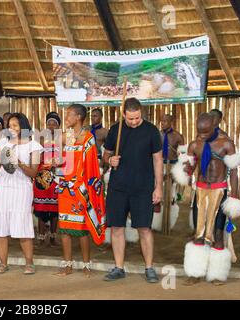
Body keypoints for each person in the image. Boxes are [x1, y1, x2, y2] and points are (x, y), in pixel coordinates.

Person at [172, 113, 240, 286]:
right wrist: (186, 170)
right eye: (199, 132)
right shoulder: (195, 144)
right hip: (201, 192)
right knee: (199, 231)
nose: (202, 136)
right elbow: (190, 168)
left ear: (214, 126)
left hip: (219, 191)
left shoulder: (226, 143)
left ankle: (217, 274)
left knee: (218, 232)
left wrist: (234, 196)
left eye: (205, 132)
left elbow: (233, 171)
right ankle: (195, 272)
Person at [102, 97, 163, 283]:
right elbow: (106, 154)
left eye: (137, 118)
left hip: (143, 188)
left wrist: (158, 187)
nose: (134, 122)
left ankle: (149, 268)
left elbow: (158, 160)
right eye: (130, 119)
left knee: (144, 228)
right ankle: (119, 267)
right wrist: (109, 160)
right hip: (118, 188)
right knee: (117, 228)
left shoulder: (151, 131)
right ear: (123, 114)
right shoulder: (115, 129)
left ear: (140, 113)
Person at [0, 113, 43, 274]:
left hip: (21, 187)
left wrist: (19, 163)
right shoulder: (3, 142)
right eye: (9, 126)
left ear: (23, 127)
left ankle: (29, 263)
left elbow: (33, 173)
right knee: (0, 226)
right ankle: (3, 263)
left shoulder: (34, 146)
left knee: (22, 224)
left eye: (15, 126)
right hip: (2, 186)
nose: (11, 129)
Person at [55, 104, 106, 277]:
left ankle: (86, 264)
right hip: (66, 188)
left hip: (81, 189)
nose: (66, 118)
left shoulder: (88, 138)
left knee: (82, 228)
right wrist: (58, 162)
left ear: (78, 117)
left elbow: (91, 167)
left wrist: (84, 185)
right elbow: (66, 160)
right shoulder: (68, 136)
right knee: (65, 228)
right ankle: (68, 264)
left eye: (69, 115)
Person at [152, 114, 184, 232]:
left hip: (173, 166)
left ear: (171, 121)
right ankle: (156, 223)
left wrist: (176, 173)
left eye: (165, 121)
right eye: (161, 121)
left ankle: (168, 223)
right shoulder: (157, 134)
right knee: (157, 196)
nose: (163, 123)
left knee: (171, 196)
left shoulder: (178, 136)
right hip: (159, 165)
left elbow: (183, 156)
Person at [33, 112, 61, 247]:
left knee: (55, 209)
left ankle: (53, 236)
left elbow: (69, 157)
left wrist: (59, 162)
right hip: (42, 176)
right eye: (49, 123)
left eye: (54, 123)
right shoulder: (40, 139)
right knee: (41, 208)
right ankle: (41, 236)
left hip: (57, 177)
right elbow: (35, 157)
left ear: (58, 125)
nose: (51, 125)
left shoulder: (65, 139)